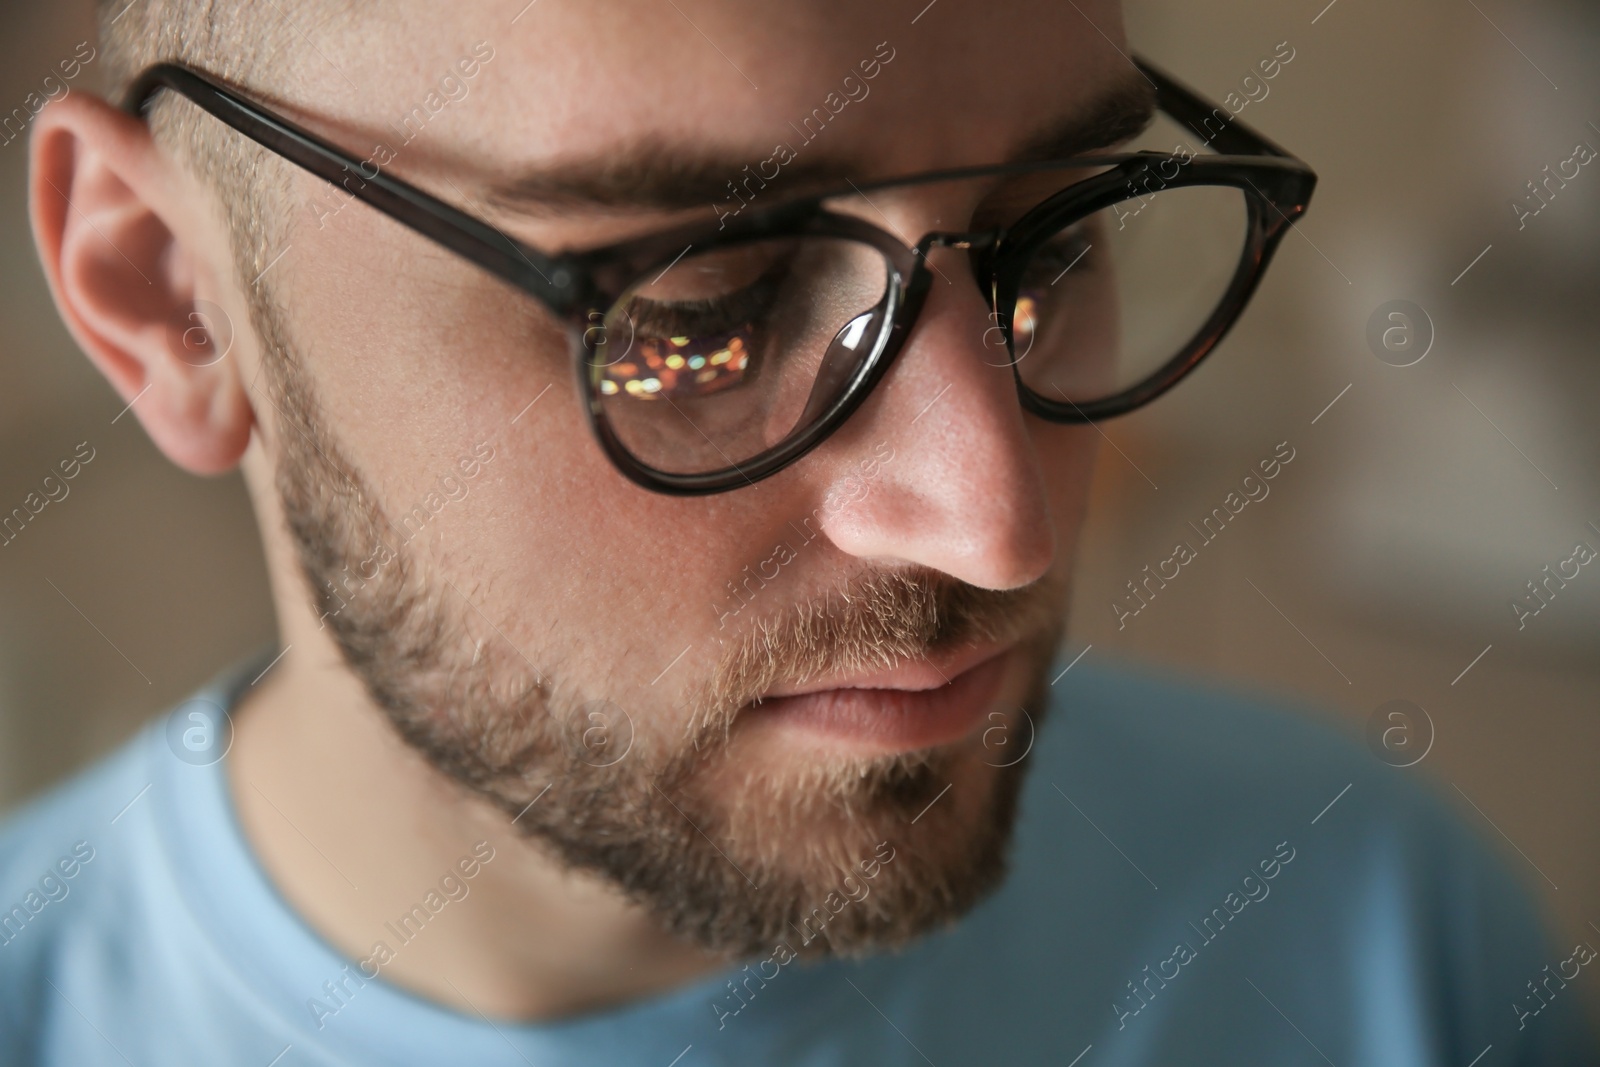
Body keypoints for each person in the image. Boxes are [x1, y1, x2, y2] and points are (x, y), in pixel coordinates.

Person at [1, 0, 1594, 1063]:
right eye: (703, 316)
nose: (1000, 524)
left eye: (1055, 245)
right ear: (169, 298)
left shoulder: (1363, 931)